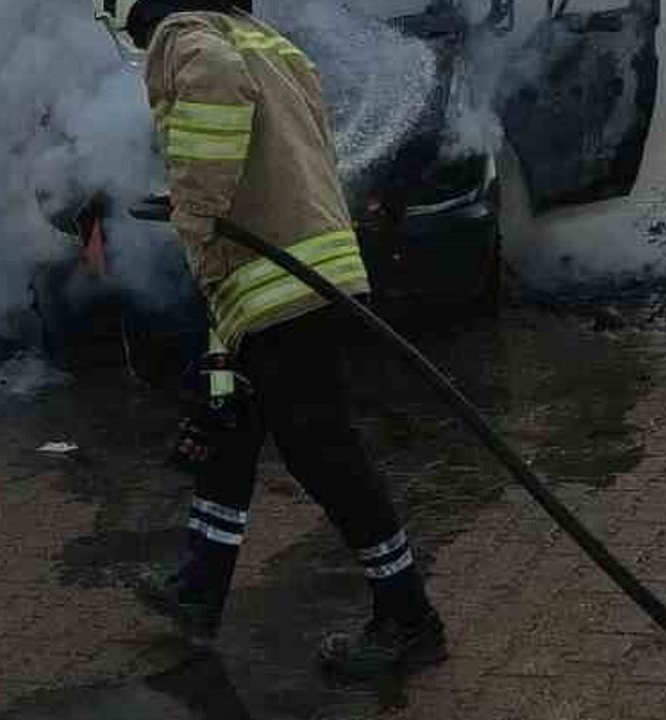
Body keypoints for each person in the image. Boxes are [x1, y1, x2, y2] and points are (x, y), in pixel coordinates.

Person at [92, 0, 447, 678]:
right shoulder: (268, 41)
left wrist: (196, 218)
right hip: (308, 271)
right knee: (235, 425)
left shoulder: (187, 37)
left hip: (278, 283)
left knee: (324, 454)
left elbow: (216, 89)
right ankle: (198, 589)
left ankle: (409, 618)